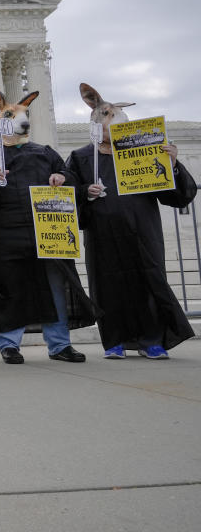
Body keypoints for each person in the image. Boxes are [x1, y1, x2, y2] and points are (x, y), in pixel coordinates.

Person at [0, 88, 100, 364]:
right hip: (4, 233)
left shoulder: (45, 153)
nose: (22, 121)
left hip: (46, 231)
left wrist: (61, 177)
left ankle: (60, 344)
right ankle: (9, 344)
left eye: (25, 116)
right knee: (8, 287)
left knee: (54, 286)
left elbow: (69, 177)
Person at [65, 83, 196, 359]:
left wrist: (172, 165)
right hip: (102, 235)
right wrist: (84, 194)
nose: (106, 130)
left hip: (141, 231)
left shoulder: (146, 152)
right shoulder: (80, 158)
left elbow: (176, 196)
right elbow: (69, 194)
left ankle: (152, 341)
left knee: (147, 281)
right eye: (101, 124)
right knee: (107, 286)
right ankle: (115, 340)